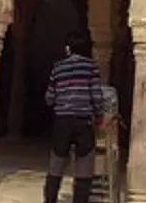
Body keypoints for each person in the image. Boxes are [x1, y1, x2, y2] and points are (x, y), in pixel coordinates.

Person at [43, 31, 105, 203]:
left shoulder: (58, 67)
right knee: (84, 167)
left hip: (62, 121)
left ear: (68, 48)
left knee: (56, 164)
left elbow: (49, 97)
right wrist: (99, 115)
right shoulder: (90, 67)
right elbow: (96, 95)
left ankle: (50, 199)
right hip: (83, 121)